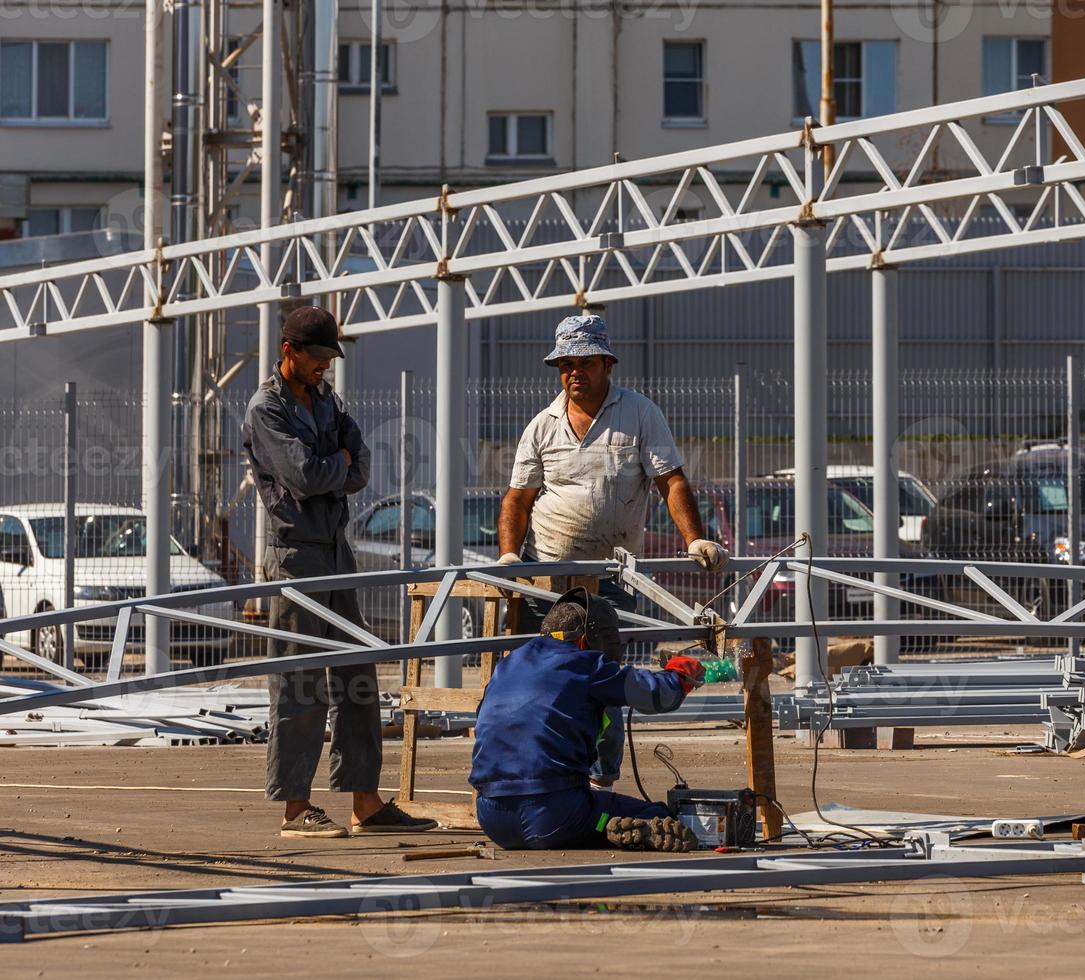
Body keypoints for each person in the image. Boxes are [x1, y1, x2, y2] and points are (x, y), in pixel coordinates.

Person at [495, 313, 729, 789]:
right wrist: (509, 558)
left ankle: (600, 779)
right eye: (564, 364)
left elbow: (671, 481)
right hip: (548, 575)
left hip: (609, 575)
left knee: (603, 678)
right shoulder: (543, 425)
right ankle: (540, 770)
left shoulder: (639, 414)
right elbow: (517, 498)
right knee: (538, 676)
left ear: (607, 363)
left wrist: (694, 539)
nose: (573, 372)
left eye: (583, 362)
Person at [242, 305, 435, 839]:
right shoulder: (267, 408)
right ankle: (295, 810)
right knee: (300, 683)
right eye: (317, 356)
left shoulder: (326, 400)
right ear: (289, 352)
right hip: (296, 554)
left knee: (358, 674)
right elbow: (304, 476)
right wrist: (341, 464)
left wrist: (342, 466)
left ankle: (365, 804)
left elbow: (361, 466)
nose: (325, 366)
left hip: (334, 548)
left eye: (330, 357)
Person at [469, 587, 706, 852]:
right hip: (555, 816)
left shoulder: (508, 665)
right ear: (584, 641)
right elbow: (656, 694)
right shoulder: (586, 665)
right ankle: (608, 825)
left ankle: (600, 824)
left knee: (587, 807)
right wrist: (682, 674)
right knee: (655, 815)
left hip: (492, 819)